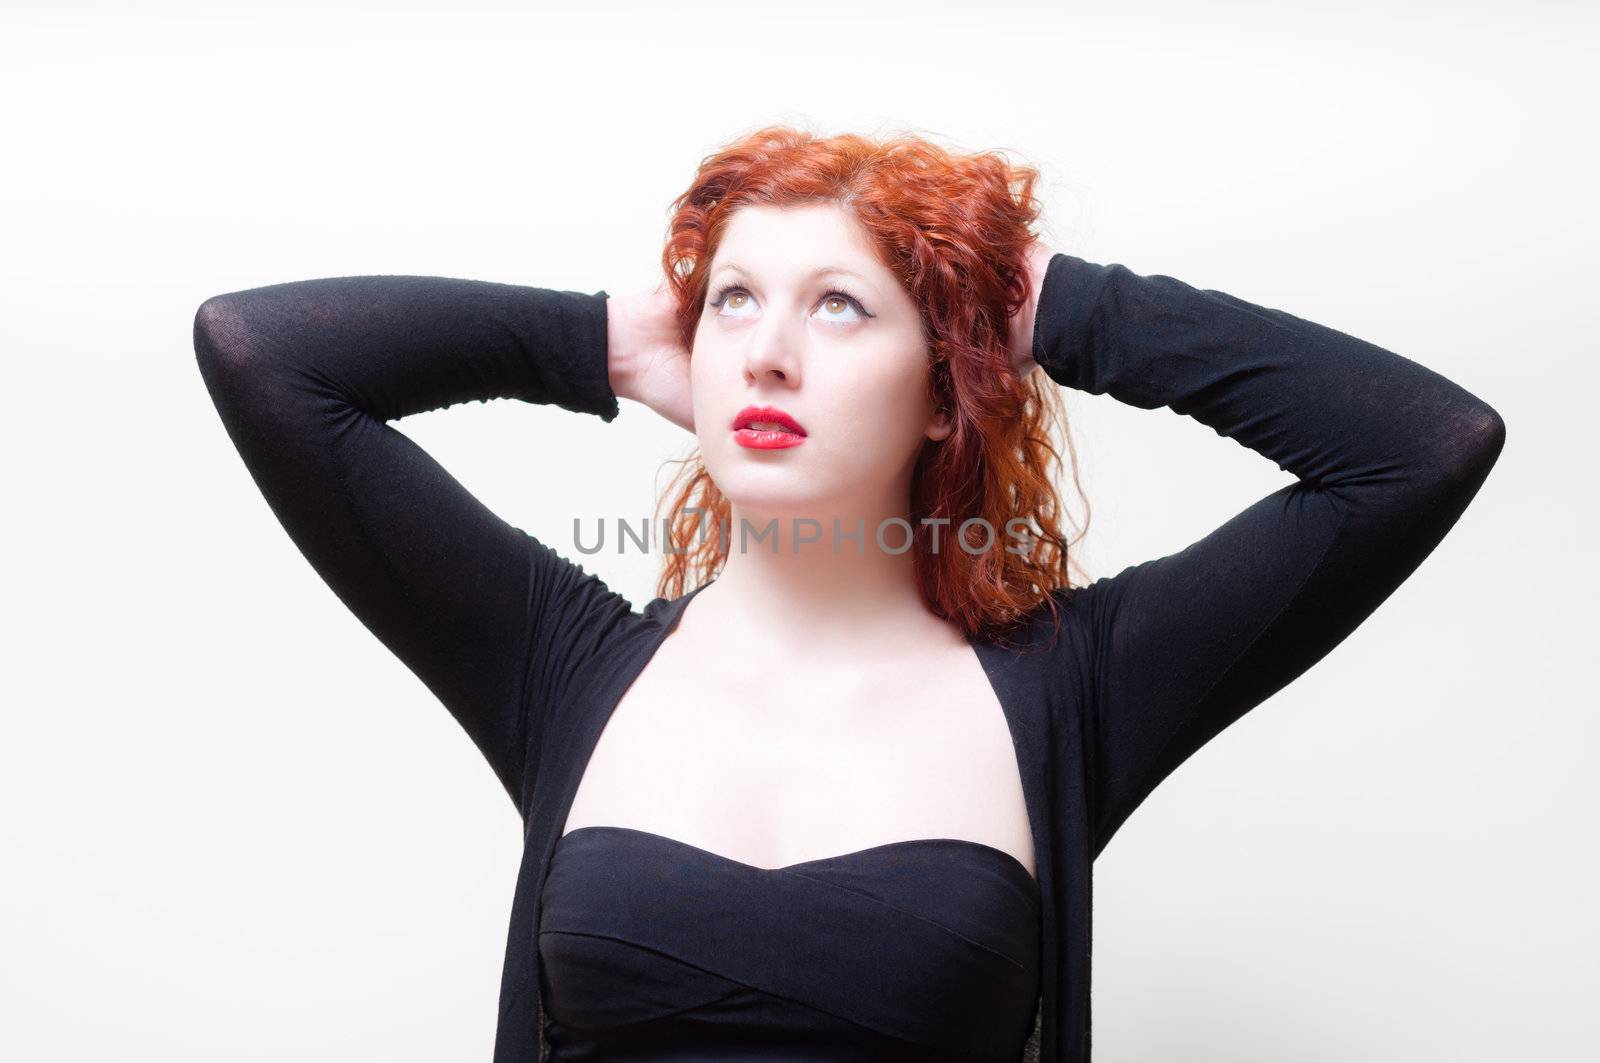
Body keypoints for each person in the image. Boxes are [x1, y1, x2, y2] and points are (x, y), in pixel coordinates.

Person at [192, 126, 1506, 1062]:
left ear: (946, 388)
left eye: (837, 309)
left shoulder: (1069, 687)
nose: (764, 351)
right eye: (733, 303)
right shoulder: (564, 666)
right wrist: (586, 338)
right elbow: (265, 356)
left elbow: (1416, 448)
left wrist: (1039, 303)